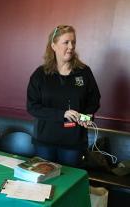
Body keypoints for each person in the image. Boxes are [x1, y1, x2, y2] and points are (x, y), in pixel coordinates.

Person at [27, 25, 101, 167]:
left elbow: (94, 101)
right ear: (53, 45)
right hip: (44, 142)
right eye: (66, 42)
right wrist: (62, 114)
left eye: (73, 42)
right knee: (45, 184)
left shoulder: (84, 72)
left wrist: (86, 117)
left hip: (73, 143)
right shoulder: (40, 74)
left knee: (69, 183)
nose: (71, 46)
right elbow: (32, 107)